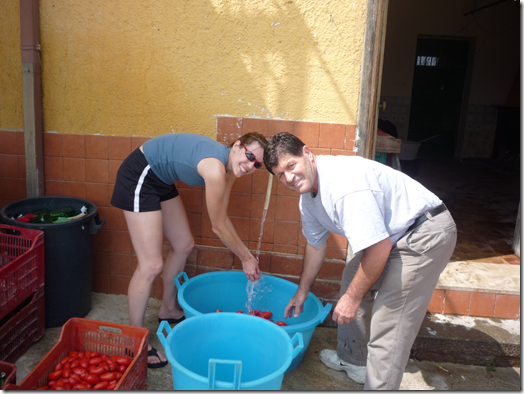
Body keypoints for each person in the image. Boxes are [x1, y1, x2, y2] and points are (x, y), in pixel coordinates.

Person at [263, 132, 456, 390]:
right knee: (351, 277)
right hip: (391, 236)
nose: (288, 178)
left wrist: (352, 299)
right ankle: (353, 361)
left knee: (388, 328)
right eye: (280, 174)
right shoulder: (308, 198)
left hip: (423, 233)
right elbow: (315, 245)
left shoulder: (343, 186)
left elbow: (377, 249)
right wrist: (302, 291)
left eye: (291, 165)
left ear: (307, 153)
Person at [111, 132, 267, 369]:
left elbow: (222, 219)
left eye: (257, 164)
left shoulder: (229, 169)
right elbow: (217, 227)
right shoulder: (215, 169)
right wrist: (246, 258)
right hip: (139, 175)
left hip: (160, 180)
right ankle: (133, 340)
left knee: (184, 245)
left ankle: (168, 309)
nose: (250, 166)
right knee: (151, 265)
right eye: (249, 156)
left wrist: (247, 256)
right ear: (237, 146)